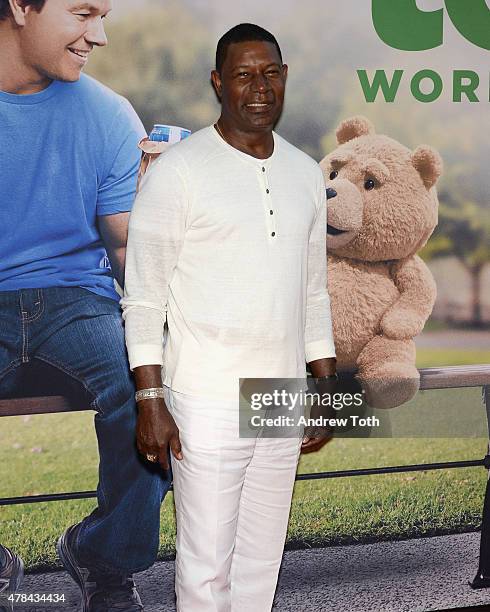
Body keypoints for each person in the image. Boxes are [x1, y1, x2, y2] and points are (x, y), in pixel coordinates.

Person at [122, 22, 337, 612]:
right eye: (243, 75)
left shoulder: (305, 173)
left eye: (270, 73)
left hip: (280, 395)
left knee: (261, 563)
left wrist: (325, 388)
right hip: (205, 398)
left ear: (285, 78)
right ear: (219, 82)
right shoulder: (178, 172)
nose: (259, 87)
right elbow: (143, 299)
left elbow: (312, 293)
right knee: (205, 567)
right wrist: (150, 401)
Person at [0, 1, 171, 611]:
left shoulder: (107, 114)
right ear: (21, 6)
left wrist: (162, 226)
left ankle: (106, 559)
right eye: (83, 13)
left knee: (153, 387)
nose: (98, 35)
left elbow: (123, 245)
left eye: (103, 15)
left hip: (77, 300)